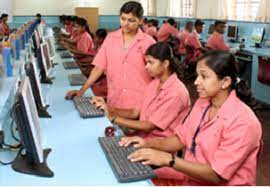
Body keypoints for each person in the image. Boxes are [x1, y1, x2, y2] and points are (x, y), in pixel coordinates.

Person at [120, 51, 262, 186]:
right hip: (191, 178)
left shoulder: (243, 122)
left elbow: (216, 175)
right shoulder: (203, 103)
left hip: (214, 181)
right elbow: (181, 139)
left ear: (225, 82)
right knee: (135, 176)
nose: (196, 82)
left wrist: (169, 160)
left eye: (204, 76)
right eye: (197, 76)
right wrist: (147, 144)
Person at [66, 1, 156, 110]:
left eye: (131, 20)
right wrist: (82, 90)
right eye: (123, 19)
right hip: (115, 99)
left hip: (140, 101)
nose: (126, 24)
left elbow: (157, 75)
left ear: (140, 21)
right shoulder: (111, 39)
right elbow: (98, 68)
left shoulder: (148, 42)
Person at [92, 42, 190, 139]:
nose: (146, 66)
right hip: (141, 137)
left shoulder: (176, 92)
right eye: (146, 62)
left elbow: (149, 126)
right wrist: (107, 108)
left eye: (150, 62)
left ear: (165, 64)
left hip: (158, 146)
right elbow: (134, 112)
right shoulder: (154, 84)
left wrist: (113, 118)